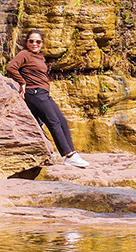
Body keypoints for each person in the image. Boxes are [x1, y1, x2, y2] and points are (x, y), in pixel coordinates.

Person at [6, 31, 88, 167]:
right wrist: (22, 82)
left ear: (42, 44)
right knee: (53, 122)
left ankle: (73, 153)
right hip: (35, 92)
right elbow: (11, 67)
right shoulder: (24, 54)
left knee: (62, 121)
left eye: (38, 42)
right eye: (31, 41)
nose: (34, 44)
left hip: (43, 93)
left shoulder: (39, 56)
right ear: (26, 42)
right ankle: (69, 155)